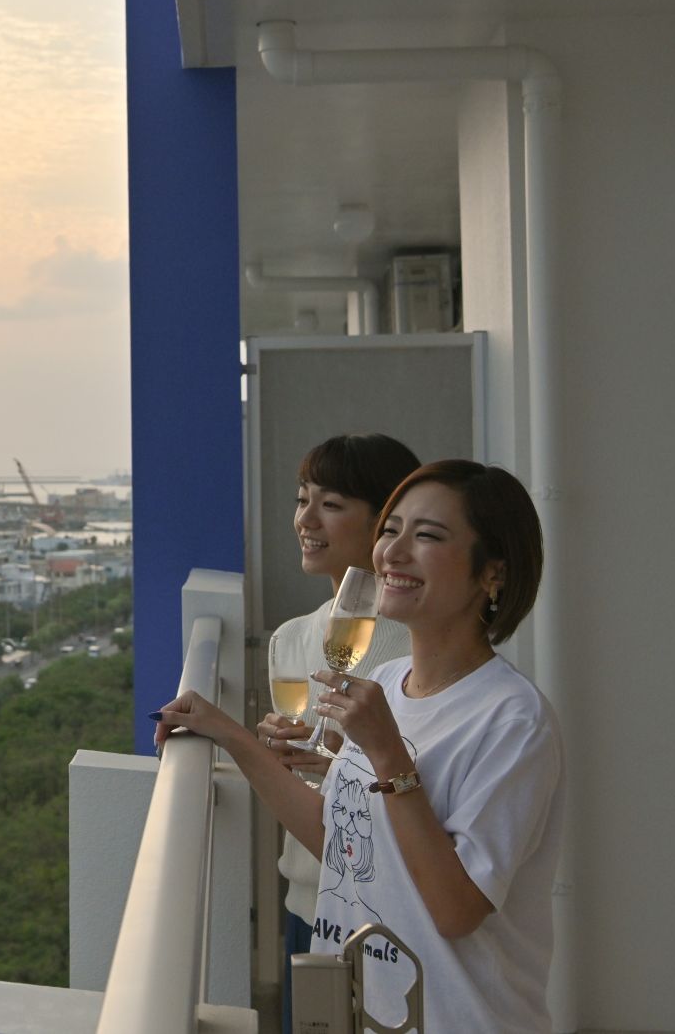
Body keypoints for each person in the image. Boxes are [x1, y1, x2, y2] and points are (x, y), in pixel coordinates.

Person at [156, 460, 562, 1032]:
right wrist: (231, 735)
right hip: (356, 1007)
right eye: (391, 530)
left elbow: (456, 910)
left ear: (492, 573)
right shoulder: (390, 682)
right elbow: (338, 838)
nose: (392, 553)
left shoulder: (512, 720)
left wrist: (388, 755)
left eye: (427, 536)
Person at [258, 434, 419, 1032]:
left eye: (329, 503)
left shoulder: (414, 638)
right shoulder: (291, 638)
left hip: (388, 909)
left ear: (385, 521)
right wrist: (278, 745)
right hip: (307, 898)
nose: (305, 518)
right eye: (302, 500)